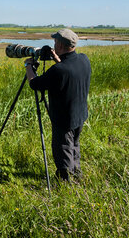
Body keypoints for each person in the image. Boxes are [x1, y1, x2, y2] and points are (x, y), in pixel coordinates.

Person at [25, 29, 91, 182]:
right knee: (74, 145)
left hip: (64, 117)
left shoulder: (58, 70)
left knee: (63, 148)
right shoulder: (83, 59)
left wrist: (28, 65)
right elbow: (68, 70)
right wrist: (57, 58)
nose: (54, 45)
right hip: (80, 114)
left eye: (55, 42)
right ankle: (76, 173)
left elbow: (35, 84)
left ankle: (65, 179)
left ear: (60, 45)